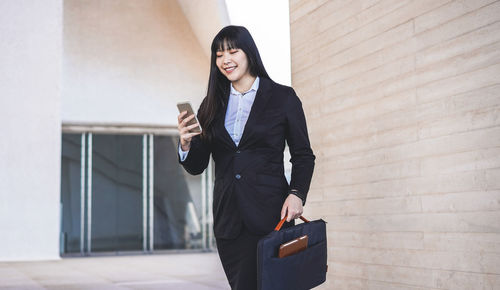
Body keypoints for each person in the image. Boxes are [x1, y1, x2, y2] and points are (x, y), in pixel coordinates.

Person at [176, 25, 315, 290]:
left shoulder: (283, 98)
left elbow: (303, 155)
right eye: (218, 55)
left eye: (232, 51)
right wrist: (185, 143)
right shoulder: (211, 104)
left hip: (273, 216)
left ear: (248, 52)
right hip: (230, 220)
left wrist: (297, 193)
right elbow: (198, 165)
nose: (225, 60)